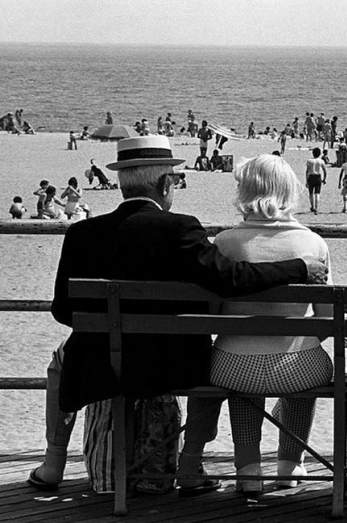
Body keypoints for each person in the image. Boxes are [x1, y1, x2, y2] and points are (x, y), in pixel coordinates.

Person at [25, 136, 328, 496]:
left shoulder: (81, 233)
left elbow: (62, 311)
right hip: (172, 363)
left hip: (101, 363)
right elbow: (228, 279)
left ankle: (53, 462)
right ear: (165, 184)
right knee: (209, 357)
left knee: (60, 361)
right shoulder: (180, 229)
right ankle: (190, 464)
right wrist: (299, 267)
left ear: (122, 183)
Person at [206, 154, 333, 492]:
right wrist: (300, 341)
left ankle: (248, 470)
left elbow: (213, 315)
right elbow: (325, 319)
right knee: (305, 380)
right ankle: (290, 465)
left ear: (245, 191)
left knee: (242, 380)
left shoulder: (225, 242)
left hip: (233, 365)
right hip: (297, 366)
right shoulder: (312, 243)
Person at [306, 147, 327, 214]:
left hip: (311, 176)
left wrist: (306, 181)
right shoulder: (321, 161)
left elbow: (307, 171)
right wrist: (324, 179)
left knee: (311, 193)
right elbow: (325, 171)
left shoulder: (309, 161)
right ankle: (316, 207)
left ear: (313, 153)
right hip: (318, 177)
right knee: (317, 193)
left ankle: (312, 206)